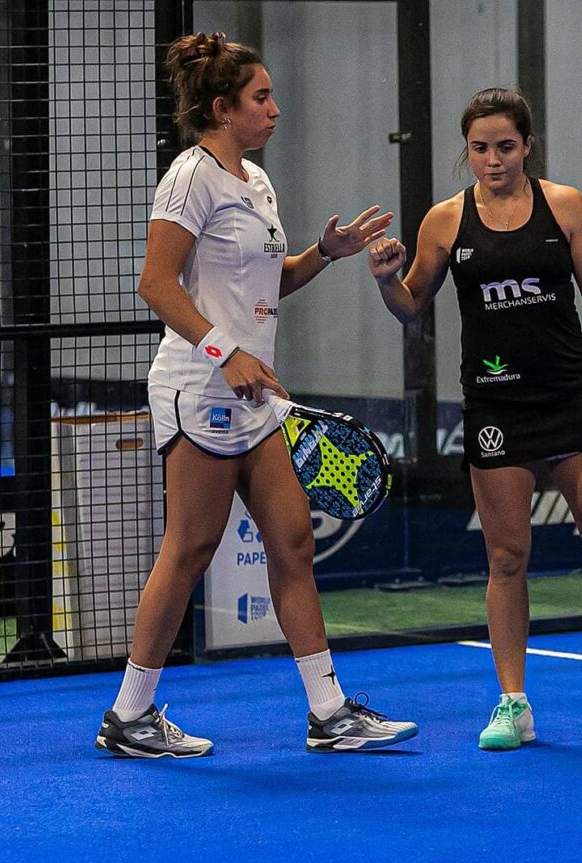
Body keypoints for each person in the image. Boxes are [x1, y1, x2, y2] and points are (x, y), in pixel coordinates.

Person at [96, 32, 418, 759]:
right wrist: (224, 350)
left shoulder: (257, 182)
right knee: (190, 547)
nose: (275, 109)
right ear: (223, 108)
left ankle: (329, 712)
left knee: (293, 541)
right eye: (261, 98)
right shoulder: (190, 177)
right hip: (199, 387)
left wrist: (325, 254)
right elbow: (155, 283)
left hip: (255, 395)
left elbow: (269, 284)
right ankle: (129, 716)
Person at [365, 87, 582, 750]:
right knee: (507, 557)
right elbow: (410, 307)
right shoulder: (444, 222)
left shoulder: (565, 206)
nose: (492, 159)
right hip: (495, 409)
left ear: (527, 145)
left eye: (505, 146)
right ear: (468, 150)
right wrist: (386, 279)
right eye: (480, 148)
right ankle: (514, 703)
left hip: (571, 399)